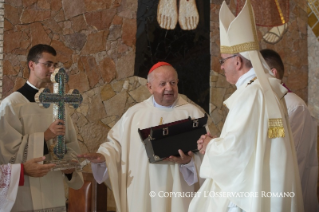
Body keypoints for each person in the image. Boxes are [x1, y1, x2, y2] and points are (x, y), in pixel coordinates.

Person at [188, 1, 303, 211]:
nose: (221, 66)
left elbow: (236, 152)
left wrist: (210, 146)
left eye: (223, 61)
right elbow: (249, 144)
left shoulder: (251, 94)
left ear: (238, 62)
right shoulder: (267, 90)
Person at [78, 62, 205, 212]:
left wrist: (189, 162)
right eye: (162, 84)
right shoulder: (134, 115)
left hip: (179, 191)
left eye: (172, 83)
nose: (169, 88)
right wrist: (104, 156)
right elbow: (115, 144)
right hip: (142, 191)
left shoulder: (193, 114)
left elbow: (208, 156)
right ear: (149, 87)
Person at [0, 44, 83, 211]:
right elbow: (7, 153)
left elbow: (70, 144)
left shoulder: (58, 104)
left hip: (54, 190)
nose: (52, 69)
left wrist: (69, 169)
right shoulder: (11, 105)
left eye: (55, 65)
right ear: (32, 65)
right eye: (48, 64)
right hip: (25, 193)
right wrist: (45, 136)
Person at [260, 49, 319, 212]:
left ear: (273, 73)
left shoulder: (295, 107)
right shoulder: (265, 105)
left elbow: (293, 163)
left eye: (258, 72)